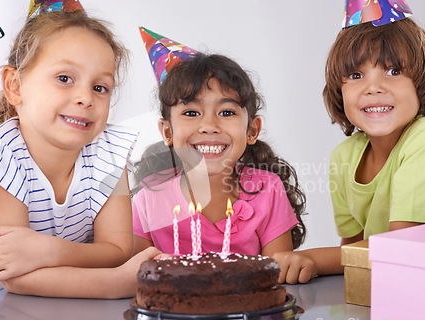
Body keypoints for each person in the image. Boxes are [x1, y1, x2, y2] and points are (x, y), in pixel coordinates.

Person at [0, 10, 161, 298]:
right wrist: (116, 283)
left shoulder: (110, 152)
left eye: (100, 87)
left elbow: (117, 250)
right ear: (15, 86)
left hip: (68, 291)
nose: (85, 98)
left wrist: (48, 250)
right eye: (64, 78)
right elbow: (15, 277)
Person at [286, 16, 425, 281]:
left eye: (394, 71)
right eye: (355, 75)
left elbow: (401, 250)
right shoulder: (345, 156)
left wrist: (315, 258)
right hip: (381, 292)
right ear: (339, 91)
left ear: (421, 82)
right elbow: (354, 256)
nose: (373, 88)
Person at [132, 53, 311, 284]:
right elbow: (138, 279)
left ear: (252, 130)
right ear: (168, 132)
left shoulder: (268, 189)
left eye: (226, 112)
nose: (209, 126)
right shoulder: (148, 200)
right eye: (191, 113)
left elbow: (277, 274)